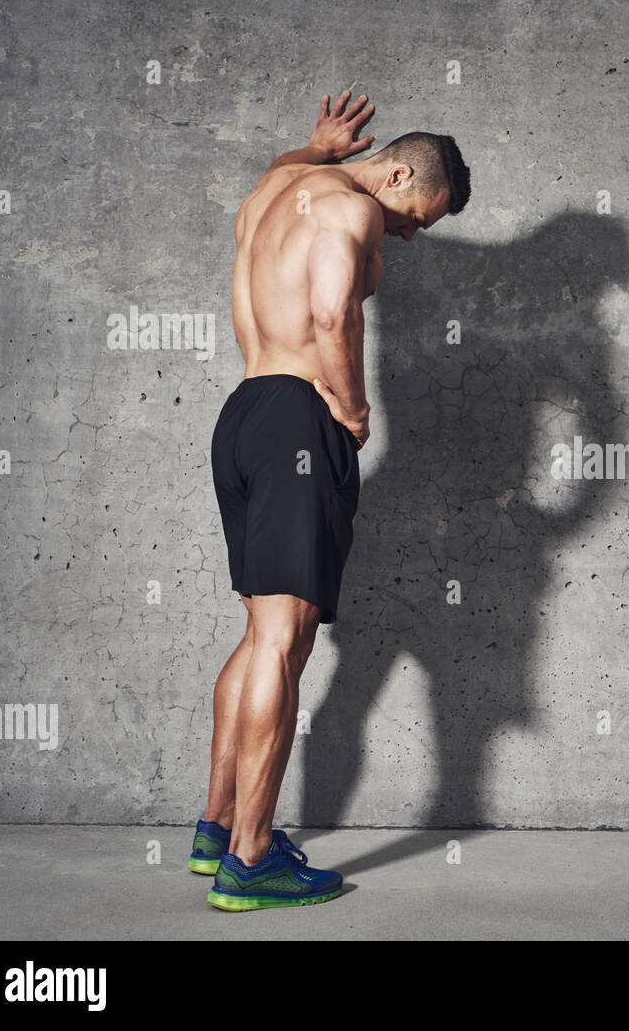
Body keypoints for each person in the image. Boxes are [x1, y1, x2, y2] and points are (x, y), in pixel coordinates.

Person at [188, 90, 471, 911]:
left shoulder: (275, 191)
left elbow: (284, 168)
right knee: (283, 644)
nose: (414, 232)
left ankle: (217, 829)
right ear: (393, 172)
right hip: (298, 421)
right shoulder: (351, 212)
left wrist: (312, 144)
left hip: (241, 415)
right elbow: (329, 308)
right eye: (420, 212)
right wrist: (350, 406)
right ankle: (250, 860)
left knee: (260, 638)